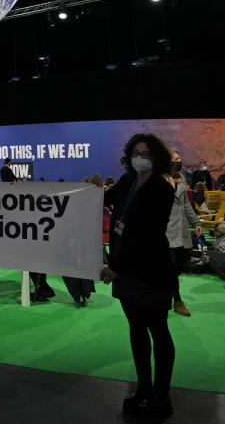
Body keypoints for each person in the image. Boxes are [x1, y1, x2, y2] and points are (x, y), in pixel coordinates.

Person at [99, 133, 176, 418]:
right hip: (125, 271)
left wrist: (116, 266)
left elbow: (145, 235)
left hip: (151, 271)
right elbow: (108, 200)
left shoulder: (161, 189)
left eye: (146, 153)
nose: (140, 157)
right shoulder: (127, 181)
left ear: (156, 157)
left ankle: (161, 392)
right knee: (136, 329)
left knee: (158, 330)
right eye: (135, 152)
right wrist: (94, 191)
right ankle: (143, 387)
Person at [166, 150, 202, 317]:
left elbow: (186, 204)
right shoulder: (158, 180)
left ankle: (166, 290)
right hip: (165, 232)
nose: (178, 161)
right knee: (172, 267)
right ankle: (177, 300)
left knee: (183, 263)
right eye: (175, 159)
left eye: (179, 158)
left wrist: (196, 222)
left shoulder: (181, 179)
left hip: (182, 230)